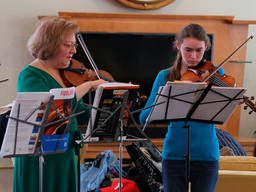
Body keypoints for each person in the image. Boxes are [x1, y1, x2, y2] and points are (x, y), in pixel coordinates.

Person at [14, 17, 107, 192]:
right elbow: (50, 109)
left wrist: (107, 107)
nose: (73, 51)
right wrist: (88, 85)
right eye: (67, 45)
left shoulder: (61, 74)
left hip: (64, 152)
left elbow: (77, 110)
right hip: (41, 155)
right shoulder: (29, 75)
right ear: (49, 44)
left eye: (74, 45)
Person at [139, 24, 222, 192]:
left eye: (199, 50)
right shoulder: (166, 76)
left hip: (207, 155)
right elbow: (143, 117)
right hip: (174, 156)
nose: (194, 56)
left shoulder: (215, 73)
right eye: (188, 50)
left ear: (206, 47)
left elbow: (221, 109)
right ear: (178, 45)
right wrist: (173, 93)